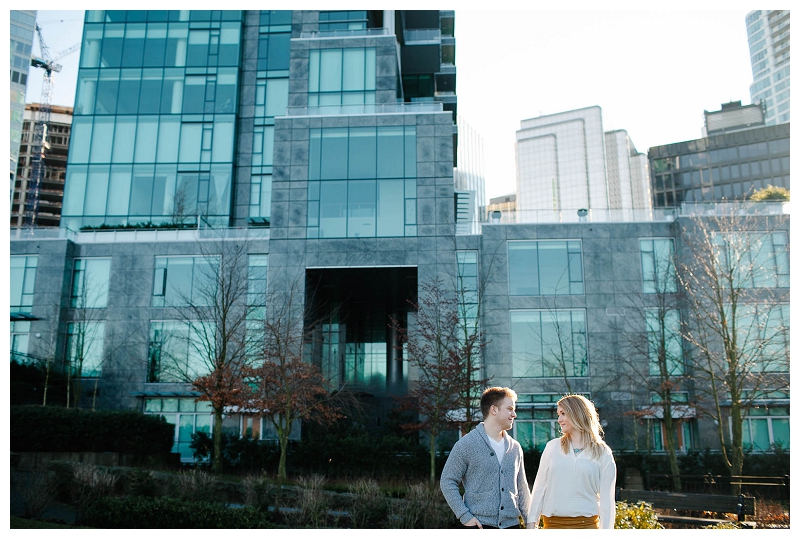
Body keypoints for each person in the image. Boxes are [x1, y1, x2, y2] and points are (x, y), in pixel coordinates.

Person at [440, 386, 531, 529]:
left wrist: (530, 521)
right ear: (493, 410)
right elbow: (447, 480)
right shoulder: (466, 444)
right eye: (510, 409)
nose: (514, 414)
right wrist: (464, 515)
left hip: (512, 526)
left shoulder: (515, 447)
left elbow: (522, 487)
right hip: (479, 526)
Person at [528, 394, 617, 529]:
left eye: (563, 413)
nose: (559, 419)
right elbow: (539, 488)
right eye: (558, 414)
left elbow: (607, 502)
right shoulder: (552, 447)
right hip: (552, 527)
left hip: (587, 527)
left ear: (577, 414)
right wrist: (531, 523)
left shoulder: (602, 452)